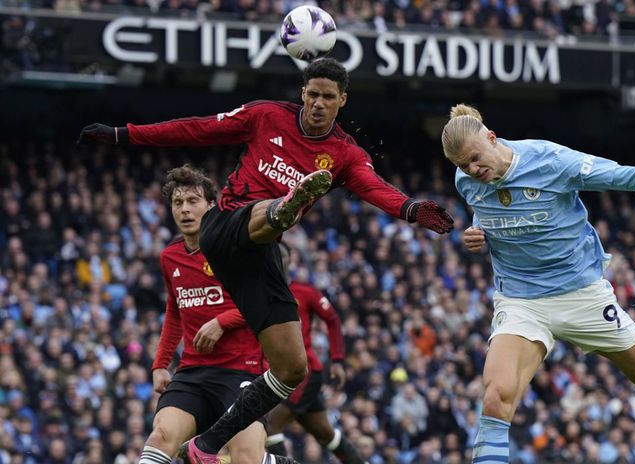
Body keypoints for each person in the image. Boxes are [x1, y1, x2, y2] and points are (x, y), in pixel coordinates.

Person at [76, 58, 454, 464]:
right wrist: (124, 135)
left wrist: (413, 210)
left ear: (342, 100)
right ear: (302, 93)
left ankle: (205, 447)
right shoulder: (266, 116)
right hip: (224, 227)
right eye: (312, 95)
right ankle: (283, 207)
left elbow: (376, 188)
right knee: (265, 214)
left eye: (328, 97)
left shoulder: (344, 154)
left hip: (261, 254)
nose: (318, 104)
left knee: (291, 368)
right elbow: (198, 128)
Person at [440, 104, 635, 463]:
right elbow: (489, 213)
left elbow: (626, 176)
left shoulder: (551, 162)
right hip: (521, 301)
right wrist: (479, 235)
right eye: (463, 166)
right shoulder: (467, 182)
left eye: (475, 159)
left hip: (581, 295)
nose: (473, 170)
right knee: (496, 397)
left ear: (492, 137)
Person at [141, 165, 295, 464]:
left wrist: (221, 322)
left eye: (193, 201)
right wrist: (160, 364)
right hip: (194, 373)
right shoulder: (169, 256)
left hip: (242, 369)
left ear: (211, 206)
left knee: (245, 458)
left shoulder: (237, 248)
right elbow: (175, 309)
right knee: (160, 438)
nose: (185, 210)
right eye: (178, 203)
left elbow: (270, 300)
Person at [264, 243, 365, 464]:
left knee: (270, 426)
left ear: (291, 261)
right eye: (274, 256)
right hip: (277, 372)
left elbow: (333, 319)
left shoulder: (305, 291)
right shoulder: (261, 292)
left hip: (304, 373)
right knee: (325, 434)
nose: (279, 261)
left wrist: (337, 360)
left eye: (283, 256)